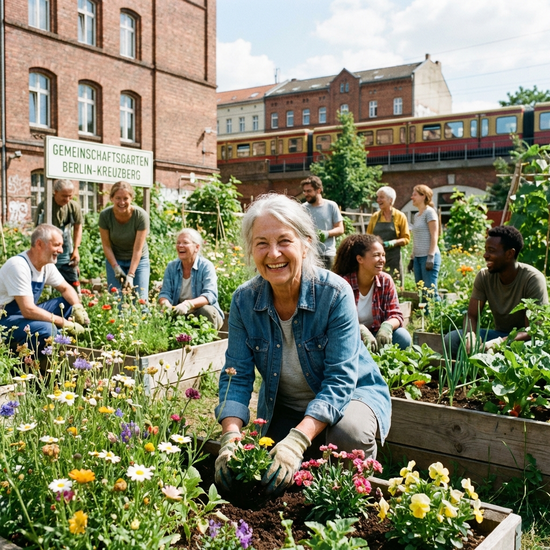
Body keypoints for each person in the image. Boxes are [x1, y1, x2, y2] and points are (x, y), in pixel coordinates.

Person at [214, 193, 391, 496]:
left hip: (352, 398)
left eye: (284, 241)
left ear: (306, 242)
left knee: (346, 435)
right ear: (250, 249)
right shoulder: (244, 300)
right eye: (261, 243)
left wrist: (297, 441)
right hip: (287, 407)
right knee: (261, 472)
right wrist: (230, 436)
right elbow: (236, 375)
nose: (273, 254)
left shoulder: (333, 294)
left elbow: (340, 380)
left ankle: (346, 498)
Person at [445, 226, 548, 357]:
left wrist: (498, 343)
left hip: (523, 340)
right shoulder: (484, 277)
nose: (485, 255)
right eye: (485, 250)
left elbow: (532, 331)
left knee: (527, 351)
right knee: (452, 339)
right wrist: (470, 335)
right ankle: (468, 373)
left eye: (491, 250)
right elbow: (472, 315)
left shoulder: (532, 279)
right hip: (497, 335)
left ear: (510, 254)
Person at [0, 225, 89, 354]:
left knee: (67, 305)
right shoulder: (19, 266)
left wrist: (78, 307)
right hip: (6, 320)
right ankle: (29, 359)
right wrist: (63, 322)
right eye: (57, 245)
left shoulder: (47, 266)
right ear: (40, 244)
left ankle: (61, 343)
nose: (61, 250)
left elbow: (65, 288)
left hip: (23, 316)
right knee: (48, 329)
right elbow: (28, 310)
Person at [333, 234, 411, 351]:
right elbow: (336, 322)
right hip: (349, 337)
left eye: (383, 255)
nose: (382, 260)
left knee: (403, 337)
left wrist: (387, 326)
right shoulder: (342, 284)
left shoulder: (385, 281)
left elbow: (395, 314)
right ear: (360, 259)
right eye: (376, 255)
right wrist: (359, 329)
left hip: (376, 336)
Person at [158, 228, 224, 330]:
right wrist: (166, 304)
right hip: (180, 314)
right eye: (178, 243)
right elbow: (165, 293)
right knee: (157, 316)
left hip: (200, 314)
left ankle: (207, 342)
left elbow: (209, 295)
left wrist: (188, 304)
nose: (180, 246)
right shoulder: (171, 267)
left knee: (206, 311)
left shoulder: (206, 266)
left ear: (196, 247)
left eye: (185, 243)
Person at [99, 181, 150, 301]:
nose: (122, 202)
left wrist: (131, 275)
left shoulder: (140, 216)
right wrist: (116, 268)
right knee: (117, 301)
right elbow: (106, 246)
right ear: (111, 198)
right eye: (118, 198)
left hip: (139, 260)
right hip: (115, 260)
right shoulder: (105, 216)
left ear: (131, 198)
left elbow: (137, 249)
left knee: (140, 300)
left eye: (125, 198)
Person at [34, 179, 83, 292]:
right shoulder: (44, 206)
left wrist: (76, 249)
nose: (67, 199)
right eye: (64, 196)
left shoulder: (73, 207)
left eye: (70, 196)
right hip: (47, 247)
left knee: (71, 279)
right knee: (46, 281)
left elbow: (77, 227)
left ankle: (73, 303)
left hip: (66, 249)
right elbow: (37, 231)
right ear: (55, 192)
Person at [366, 186, 410, 289]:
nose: (378, 200)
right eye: (377, 197)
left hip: (393, 257)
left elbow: (406, 238)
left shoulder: (400, 216)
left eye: (381, 197)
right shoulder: (375, 217)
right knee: (377, 285)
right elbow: (368, 237)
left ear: (390, 200)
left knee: (395, 284)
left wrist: (393, 242)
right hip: (376, 257)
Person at [301, 175, 344, 270]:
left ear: (319, 190)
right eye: (304, 191)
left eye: (309, 191)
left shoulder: (331, 206)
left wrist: (326, 233)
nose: (306, 194)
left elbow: (340, 229)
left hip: (327, 253)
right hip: (309, 253)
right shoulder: (303, 208)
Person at [410, 185, 441, 300]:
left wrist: (431, 257)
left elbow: (434, 236)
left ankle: (440, 316)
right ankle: (426, 317)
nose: (411, 197)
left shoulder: (430, 212)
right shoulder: (417, 216)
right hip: (418, 258)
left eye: (414, 194)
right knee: (422, 292)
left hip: (428, 257)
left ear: (423, 196)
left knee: (430, 292)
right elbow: (416, 238)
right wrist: (412, 257)